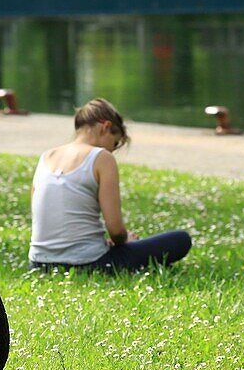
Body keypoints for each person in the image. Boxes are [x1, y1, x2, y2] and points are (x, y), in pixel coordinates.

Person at [29, 98, 192, 272]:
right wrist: (124, 240)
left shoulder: (47, 156)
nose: (112, 151)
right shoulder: (101, 158)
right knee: (180, 239)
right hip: (86, 262)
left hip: (39, 263)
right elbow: (115, 229)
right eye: (114, 144)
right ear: (106, 127)